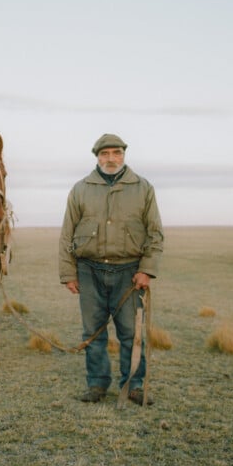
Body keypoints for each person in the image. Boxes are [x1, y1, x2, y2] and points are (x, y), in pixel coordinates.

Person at [58, 133, 164, 405]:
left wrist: (147, 270)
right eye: (104, 154)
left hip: (129, 273)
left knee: (131, 333)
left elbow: (155, 234)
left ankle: (134, 386)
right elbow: (66, 234)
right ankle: (97, 385)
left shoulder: (143, 188)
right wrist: (68, 273)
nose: (111, 159)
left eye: (116, 153)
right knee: (93, 332)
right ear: (97, 157)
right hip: (89, 271)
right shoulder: (80, 189)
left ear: (124, 155)